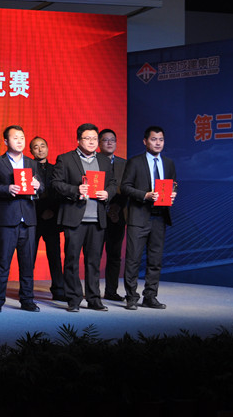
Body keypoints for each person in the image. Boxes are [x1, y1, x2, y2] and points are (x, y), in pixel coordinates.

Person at [52, 123, 116, 312]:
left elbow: (113, 183)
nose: (91, 142)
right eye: (87, 138)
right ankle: (73, 299)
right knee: (72, 260)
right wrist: (75, 190)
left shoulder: (104, 160)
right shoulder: (65, 159)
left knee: (93, 261)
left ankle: (94, 299)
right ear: (78, 140)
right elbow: (56, 183)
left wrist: (108, 193)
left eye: (95, 139)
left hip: (97, 218)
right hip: (74, 218)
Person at [121, 126, 177, 310]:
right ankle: (131, 297)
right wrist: (144, 195)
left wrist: (173, 194)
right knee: (133, 259)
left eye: (161, 139)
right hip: (139, 216)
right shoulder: (135, 162)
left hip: (160, 217)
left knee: (155, 260)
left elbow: (173, 184)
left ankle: (150, 296)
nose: (158, 143)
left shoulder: (168, 163)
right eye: (154, 139)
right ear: (145, 141)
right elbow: (125, 187)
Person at [0, 126, 42, 312]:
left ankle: (27, 300)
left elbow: (42, 187)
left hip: (29, 219)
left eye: (22, 137)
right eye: (15, 138)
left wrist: (38, 185)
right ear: (5, 141)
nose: (19, 141)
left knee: (27, 263)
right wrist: (7, 189)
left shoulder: (31, 163)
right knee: (3, 262)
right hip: (7, 220)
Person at [30, 136, 66, 301]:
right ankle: (27, 290)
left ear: (47, 148)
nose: (40, 149)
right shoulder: (27, 168)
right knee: (29, 256)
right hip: (33, 219)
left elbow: (60, 193)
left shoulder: (56, 169)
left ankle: (58, 290)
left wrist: (52, 210)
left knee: (55, 256)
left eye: (42, 146)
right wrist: (40, 212)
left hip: (52, 218)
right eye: (36, 147)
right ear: (31, 151)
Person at [99, 129, 128, 301]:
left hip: (117, 215)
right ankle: (92, 292)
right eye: (105, 140)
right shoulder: (93, 161)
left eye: (113, 140)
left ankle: (111, 291)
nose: (109, 143)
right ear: (99, 143)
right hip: (96, 215)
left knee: (115, 256)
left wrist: (116, 208)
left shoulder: (125, 164)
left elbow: (128, 188)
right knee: (94, 256)